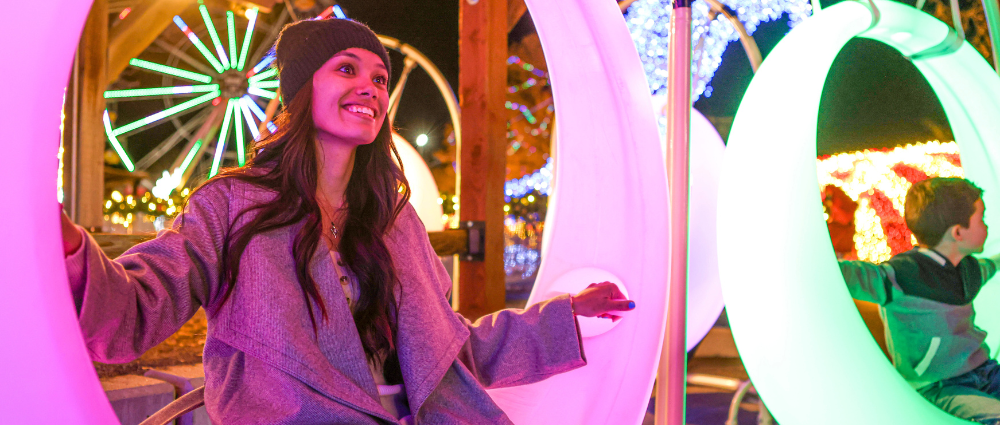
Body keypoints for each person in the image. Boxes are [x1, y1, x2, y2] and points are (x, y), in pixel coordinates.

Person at [60, 18, 634, 424]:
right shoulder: (231, 207)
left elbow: (451, 355)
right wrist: (66, 247)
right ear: (300, 88)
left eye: (381, 79)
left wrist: (564, 319)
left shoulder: (394, 222)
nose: (371, 86)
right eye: (347, 69)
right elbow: (132, 313)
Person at [839, 177, 1000, 424]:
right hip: (938, 385)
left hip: (984, 370)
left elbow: (990, 266)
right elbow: (848, 274)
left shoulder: (968, 269)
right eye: (982, 219)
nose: (987, 227)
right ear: (958, 232)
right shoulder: (900, 276)